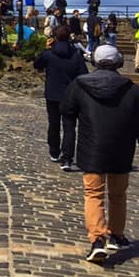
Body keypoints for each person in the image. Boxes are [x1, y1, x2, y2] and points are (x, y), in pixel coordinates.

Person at [61, 44, 139, 263]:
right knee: (118, 195)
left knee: (94, 194)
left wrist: (67, 153)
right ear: (118, 63)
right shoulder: (132, 89)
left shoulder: (79, 85)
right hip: (121, 150)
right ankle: (116, 235)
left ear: (94, 62)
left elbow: (68, 117)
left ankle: (98, 240)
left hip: (92, 149)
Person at [34, 25, 88, 171]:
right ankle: (67, 159)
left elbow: (37, 64)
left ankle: (54, 151)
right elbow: (83, 74)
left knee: (54, 123)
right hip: (70, 95)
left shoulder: (49, 54)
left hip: (52, 94)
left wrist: (46, 49)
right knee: (69, 127)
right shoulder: (76, 54)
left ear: (54, 37)